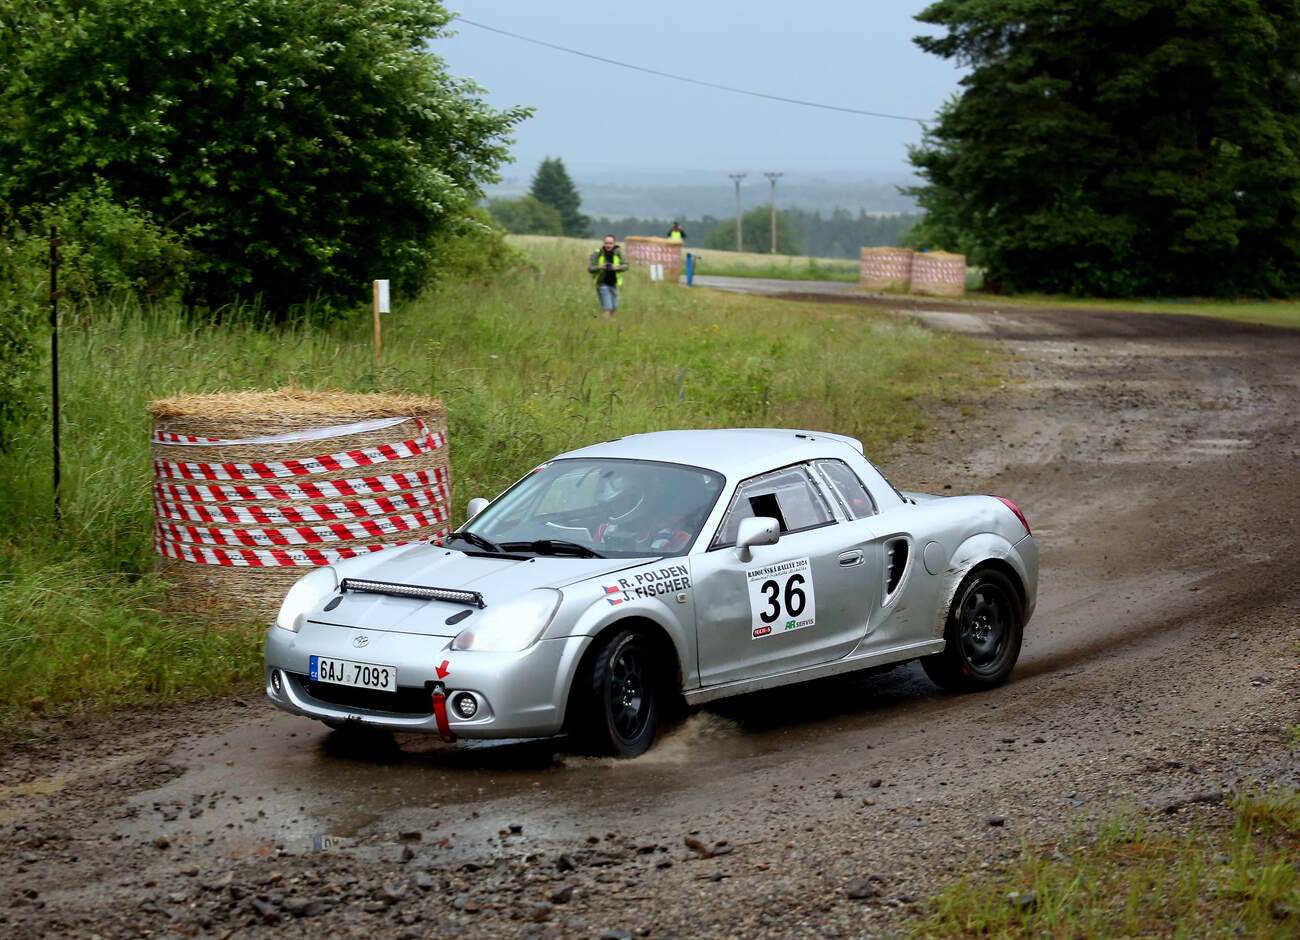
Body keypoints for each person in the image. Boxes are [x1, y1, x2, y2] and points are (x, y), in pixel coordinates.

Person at [588, 234, 628, 318]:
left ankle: (608, 324)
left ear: (614, 243)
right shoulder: (598, 253)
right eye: (606, 243)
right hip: (601, 283)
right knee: (607, 308)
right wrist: (599, 267)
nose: (608, 245)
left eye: (610, 243)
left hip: (614, 284)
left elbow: (626, 266)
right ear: (603, 243)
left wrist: (617, 267)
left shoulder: (619, 252)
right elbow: (590, 269)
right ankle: (604, 326)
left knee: (614, 307)